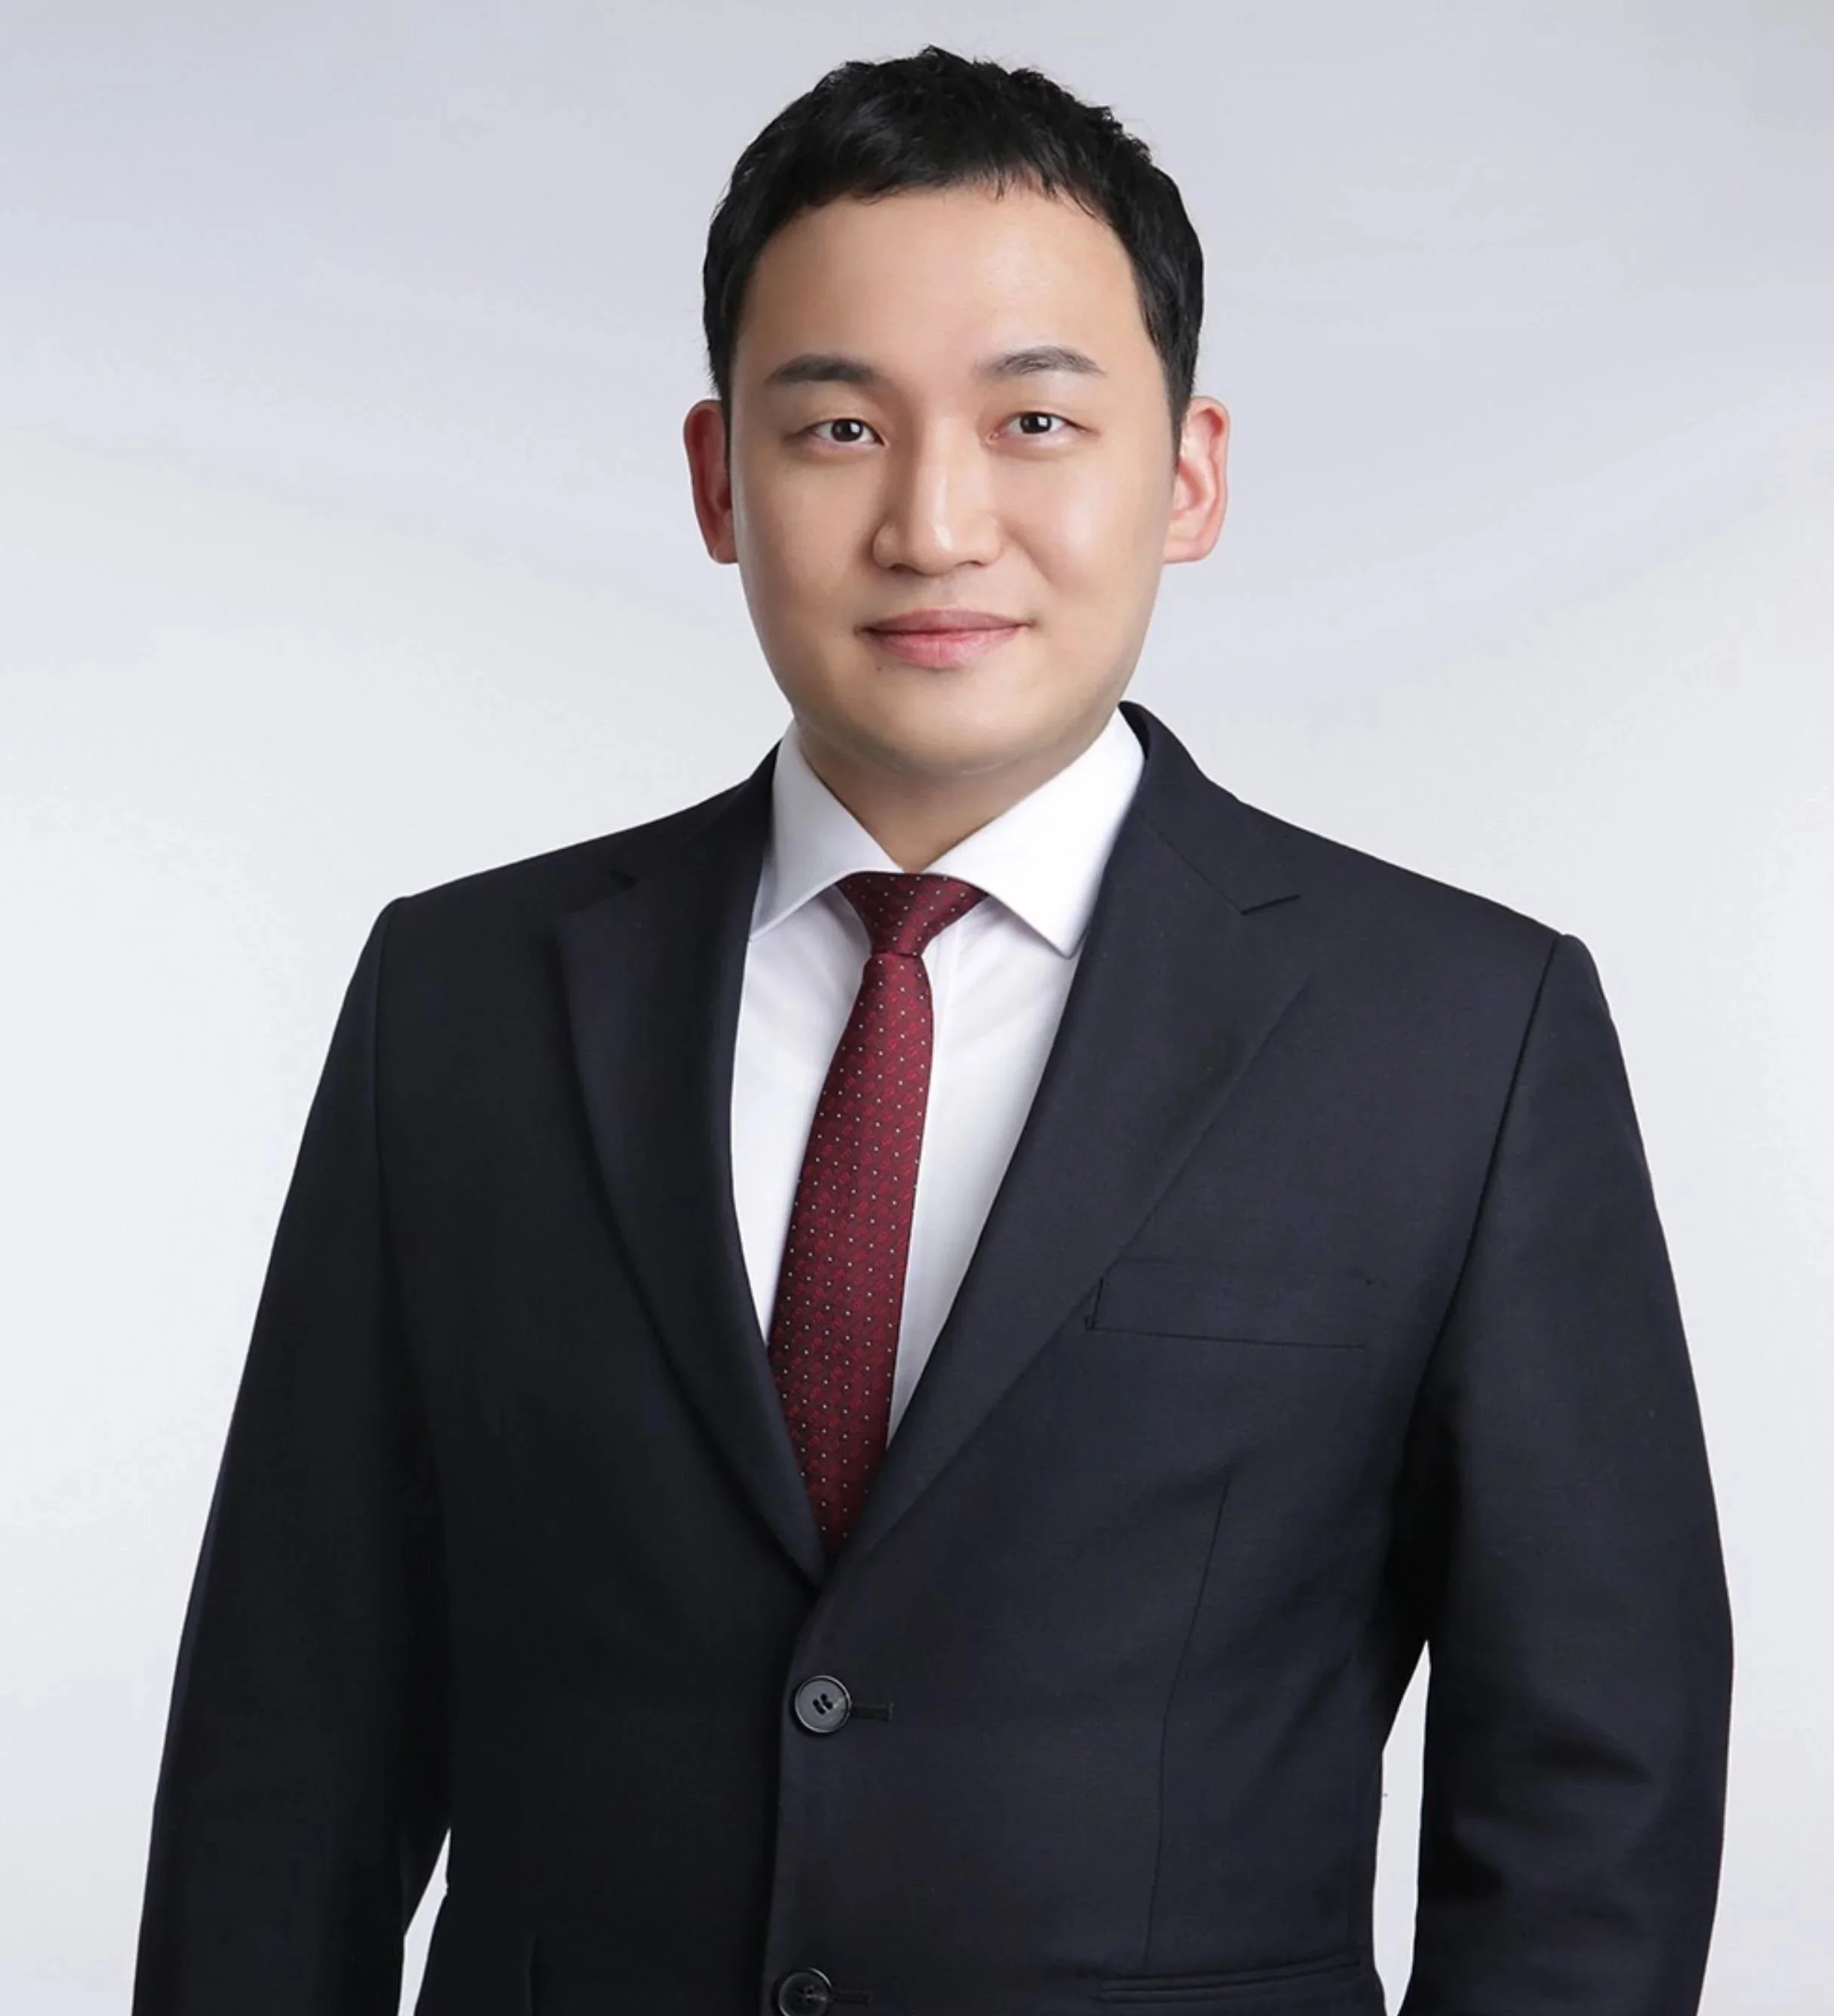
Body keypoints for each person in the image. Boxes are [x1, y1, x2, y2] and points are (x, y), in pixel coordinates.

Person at [131, 45, 1732, 2016]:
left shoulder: (1461, 1032)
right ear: (717, 479)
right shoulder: (459, 998)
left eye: (1035, 420)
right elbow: (288, 1744)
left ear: (1189, 472)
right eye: (837, 429)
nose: (935, 522)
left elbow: (1589, 1798)